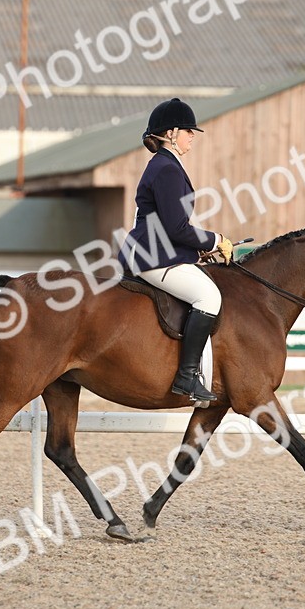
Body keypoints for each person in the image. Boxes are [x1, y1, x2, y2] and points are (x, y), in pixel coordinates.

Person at [118, 98, 234, 403]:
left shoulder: (166, 166)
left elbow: (172, 226)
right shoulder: (167, 169)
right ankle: (186, 376)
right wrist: (214, 240)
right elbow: (176, 228)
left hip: (156, 251)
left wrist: (198, 253)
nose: (192, 136)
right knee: (208, 296)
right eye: (187, 131)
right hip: (151, 256)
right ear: (170, 133)